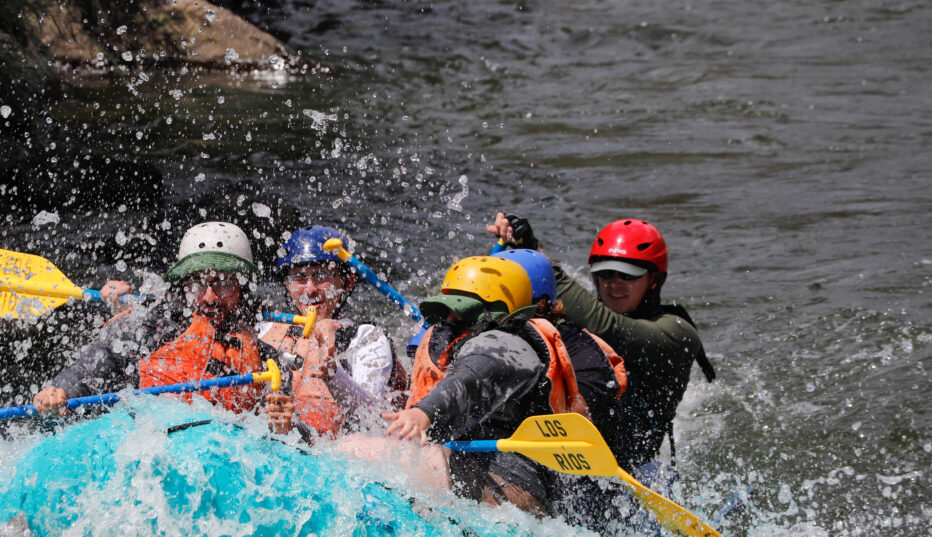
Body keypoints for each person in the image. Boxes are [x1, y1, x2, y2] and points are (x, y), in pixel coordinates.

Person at [382, 255, 626, 515]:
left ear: (497, 312)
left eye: (463, 311)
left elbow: (472, 378)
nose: (451, 319)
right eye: (447, 310)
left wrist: (423, 412)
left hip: (510, 489)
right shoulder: (468, 337)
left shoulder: (506, 345)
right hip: (481, 476)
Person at [490, 213, 714, 472]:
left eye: (628, 276)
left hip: (630, 469)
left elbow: (609, 327)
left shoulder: (677, 333)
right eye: (605, 273)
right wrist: (520, 254)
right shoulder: (579, 315)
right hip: (569, 452)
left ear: (655, 280)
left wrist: (537, 262)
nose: (614, 283)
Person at [33, 221, 288, 426]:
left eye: (223, 284)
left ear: (243, 288)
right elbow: (93, 364)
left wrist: (282, 425)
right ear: (184, 285)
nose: (209, 297)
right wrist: (60, 392)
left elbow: (292, 424)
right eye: (198, 283)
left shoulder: (267, 343)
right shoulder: (152, 325)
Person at [255, 226, 405, 438]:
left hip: (346, 455)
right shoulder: (267, 331)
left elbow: (371, 417)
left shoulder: (367, 339)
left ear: (348, 282)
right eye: (298, 278)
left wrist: (333, 373)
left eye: (321, 275)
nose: (309, 289)